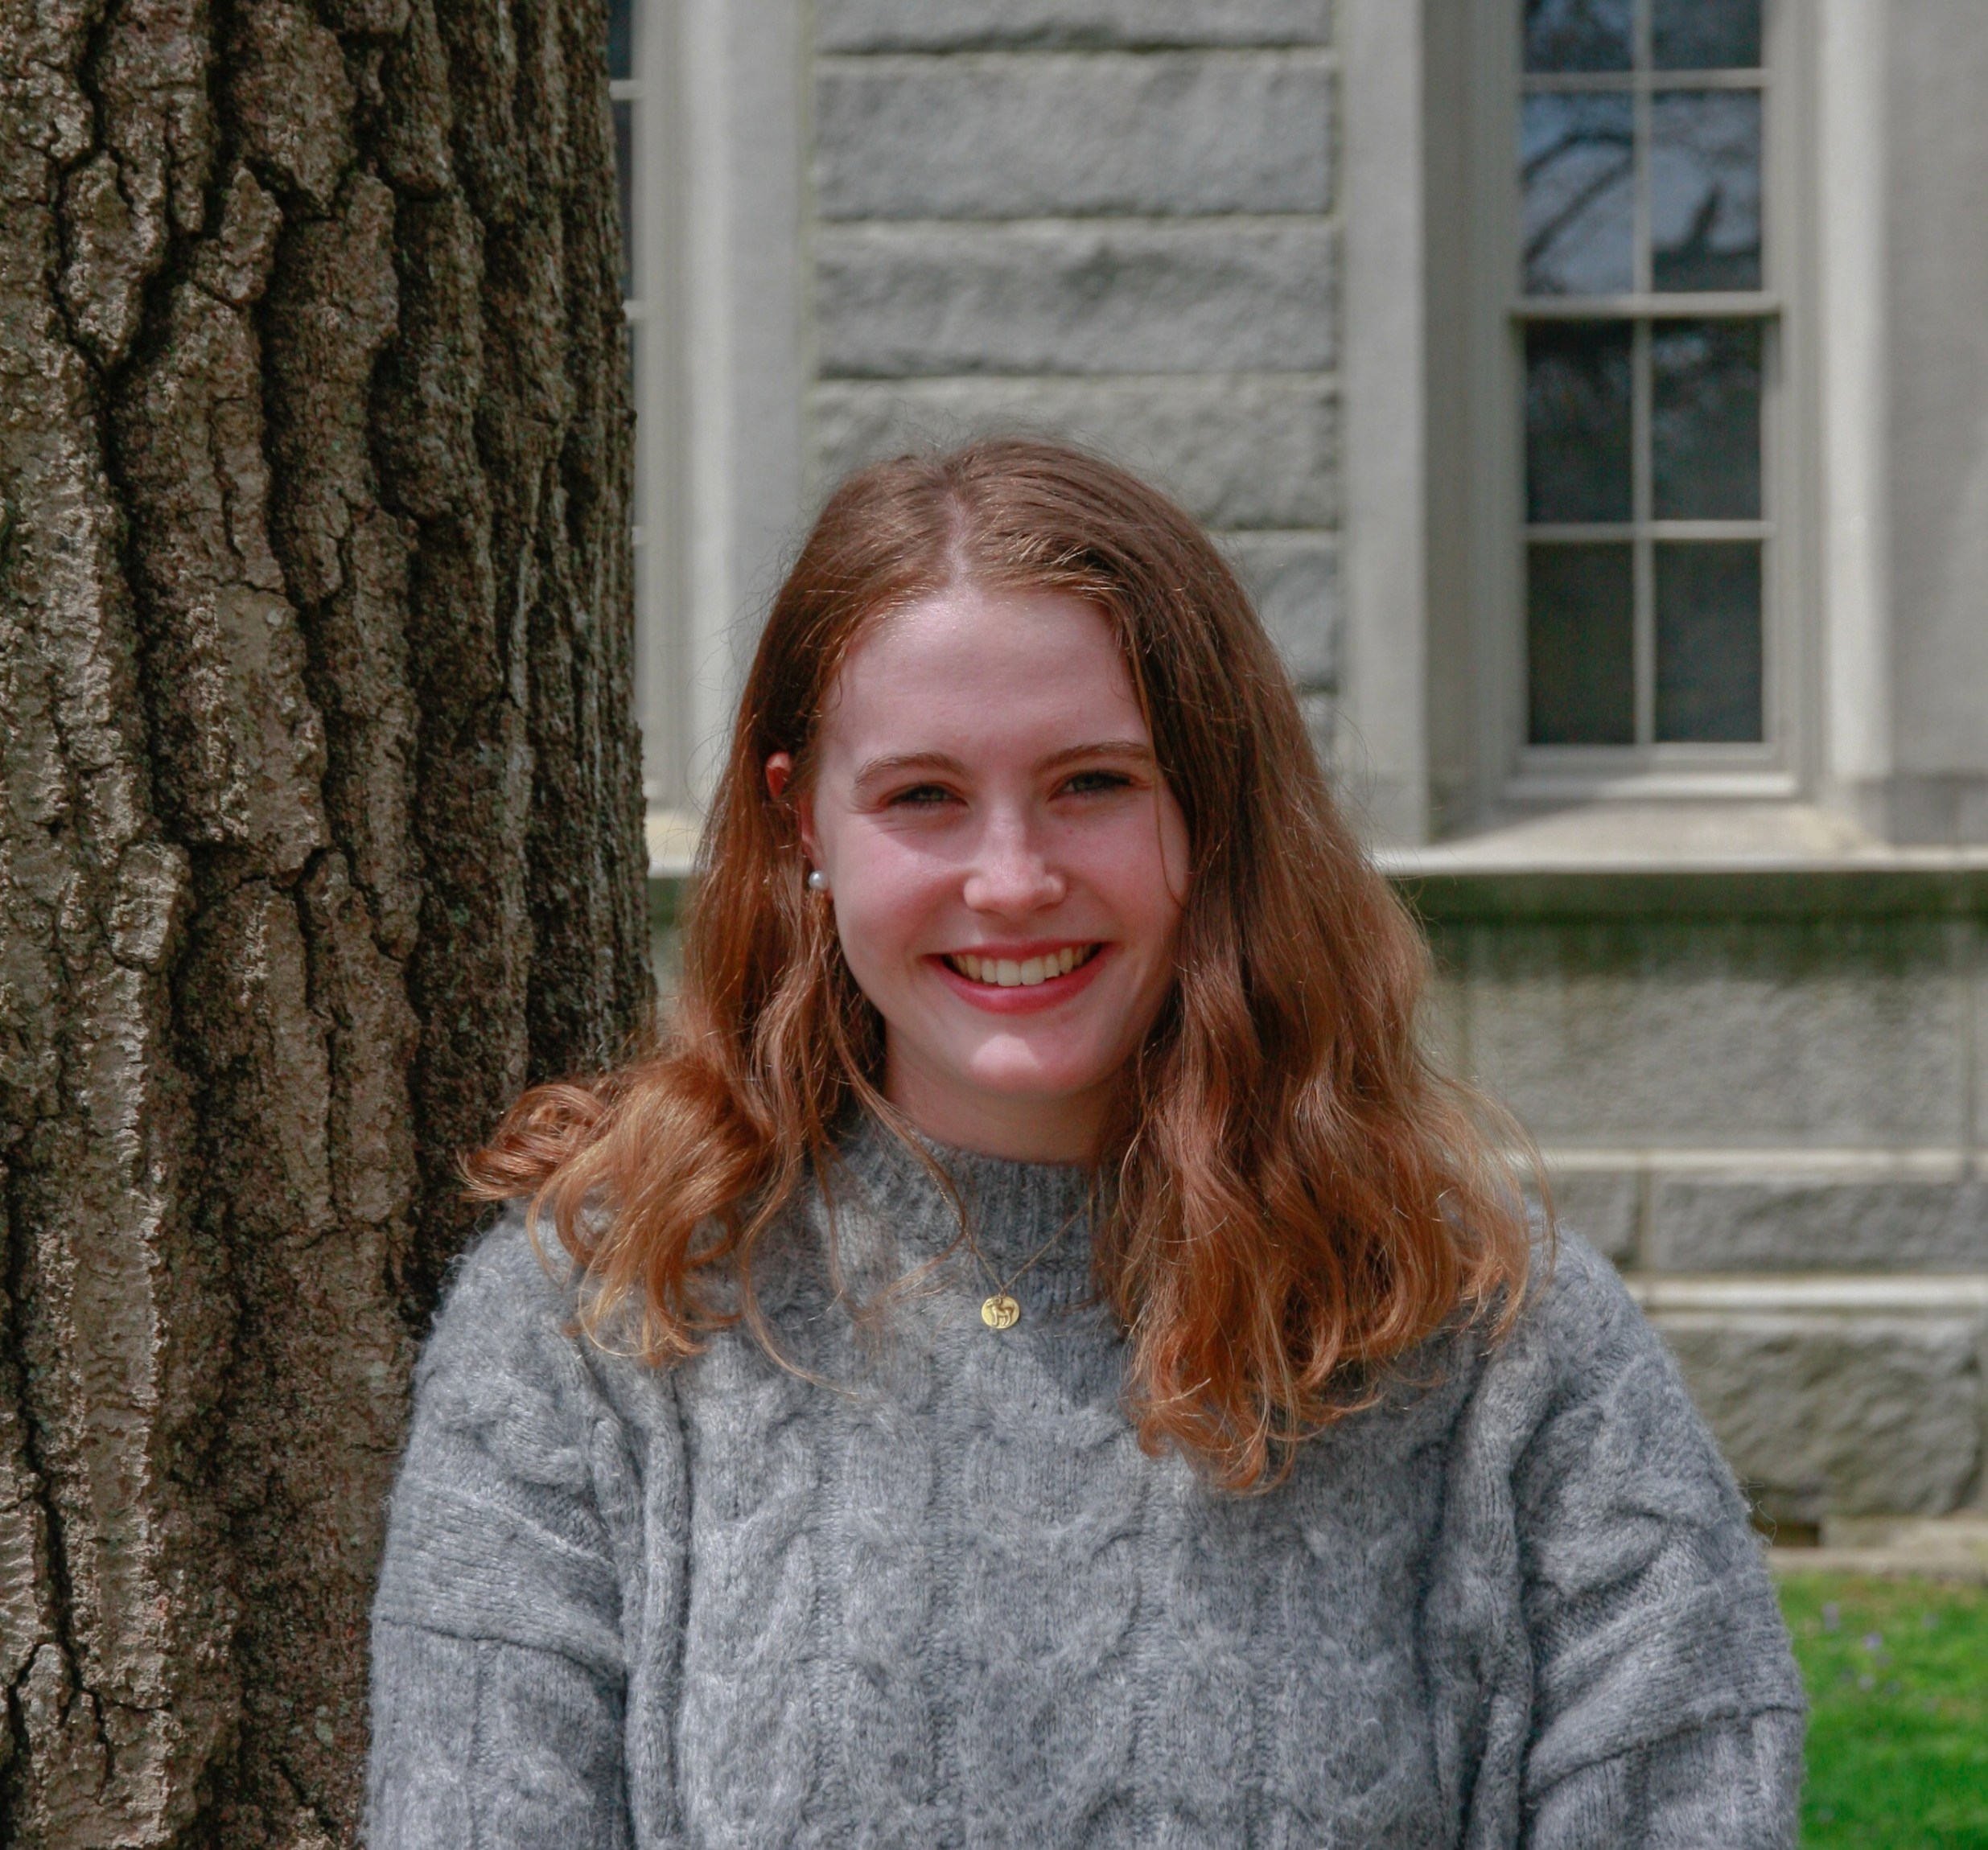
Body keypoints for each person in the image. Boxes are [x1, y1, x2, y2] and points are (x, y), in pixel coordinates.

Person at [365, 440, 1803, 1846]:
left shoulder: (1496, 1339)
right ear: (801, 820)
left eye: (1094, 783)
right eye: (923, 796)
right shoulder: (598, 1326)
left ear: (1216, 804)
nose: (1012, 881)